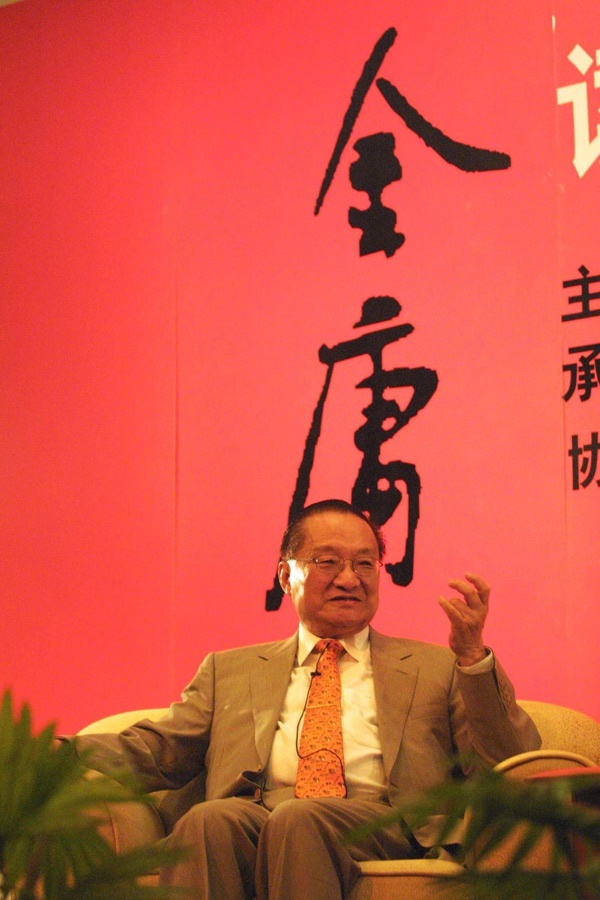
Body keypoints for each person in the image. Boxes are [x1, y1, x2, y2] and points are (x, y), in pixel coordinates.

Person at [70, 499, 540, 899]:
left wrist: (474, 659)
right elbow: (156, 751)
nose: (349, 579)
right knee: (207, 820)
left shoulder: (436, 666)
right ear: (285, 574)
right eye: (327, 562)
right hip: (258, 814)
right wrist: (50, 755)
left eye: (364, 564)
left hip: (388, 823)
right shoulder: (228, 671)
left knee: (300, 818)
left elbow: (510, 760)